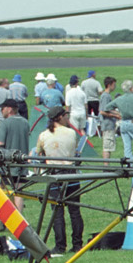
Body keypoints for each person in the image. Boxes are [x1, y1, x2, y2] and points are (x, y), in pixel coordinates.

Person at [36, 107, 83, 254]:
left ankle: (60, 246)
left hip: (54, 174)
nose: (67, 118)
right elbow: (74, 150)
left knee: (57, 212)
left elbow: (39, 153)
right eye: (65, 116)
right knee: (74, 211)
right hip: (71, 173)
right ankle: (77, 244)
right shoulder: (71, 133)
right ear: (60, 118)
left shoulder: (43, 135)